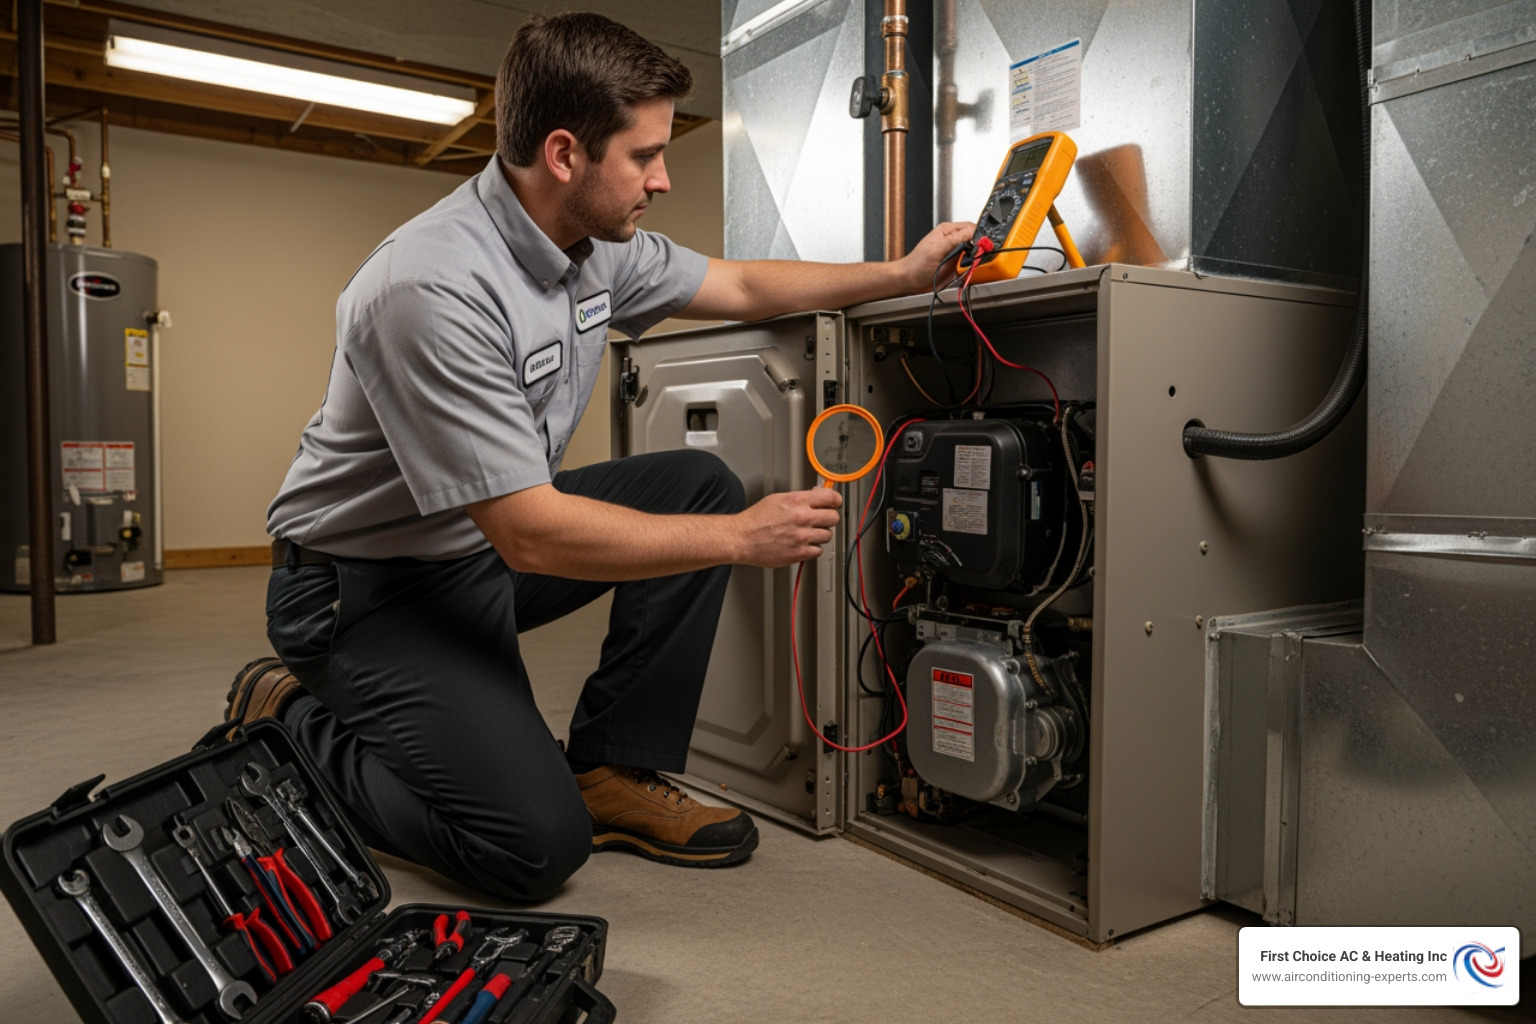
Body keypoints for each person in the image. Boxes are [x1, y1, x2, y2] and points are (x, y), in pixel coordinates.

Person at [229, 11, 973, 900]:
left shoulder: (589, 248)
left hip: (468, 554)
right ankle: (289, 718)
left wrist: (899, 274)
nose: (661, 180)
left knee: (693, 486)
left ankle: (613, 768)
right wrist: (741, 541)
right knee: (533, 848)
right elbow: (533, 538)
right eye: (644, 156)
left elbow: (735, 283)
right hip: (363, 591)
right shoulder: (429, 288)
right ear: (563, 154)